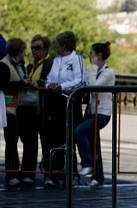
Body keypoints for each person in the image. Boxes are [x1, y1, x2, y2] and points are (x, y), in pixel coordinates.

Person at [43, 31, 86, 187]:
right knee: (54, 138)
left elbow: (81, 81)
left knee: (69, 139)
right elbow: (50, 79)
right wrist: (51, 85)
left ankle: (72, 174)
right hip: (55, 104)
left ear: (65, 45)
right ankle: (55, 172)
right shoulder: (56, 61)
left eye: (58, 45)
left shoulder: (77, 59)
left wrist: (62, 86)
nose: (55, 47)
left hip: (70, 102)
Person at [74, 42, 115, 187]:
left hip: (102, 113)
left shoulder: (108, 72)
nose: (89, 57)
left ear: (98, 56)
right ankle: (98, 177)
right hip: (91, 112)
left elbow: (94, 87)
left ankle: (87, 162)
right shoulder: (95, 70)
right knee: (93, 143)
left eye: (91, 54)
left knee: (78, 131)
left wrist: (93, 67)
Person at [0, 38, 39, 187]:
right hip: (10, 109)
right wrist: (23, 84)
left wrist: (27, 82)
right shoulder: (4, 64)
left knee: (28, 141)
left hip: (23, 108)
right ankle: (12, 175)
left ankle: (27, 174)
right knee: (11, 143)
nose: (25, 54)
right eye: (23, 51)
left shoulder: (20, 64)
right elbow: (4, 85)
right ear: (18, 52)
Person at [28, 35, 53, 184]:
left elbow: (49, 79)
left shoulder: (50, 63)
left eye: (37, 48)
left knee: (46, 142)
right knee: (30, 142)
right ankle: (29, 174)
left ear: (45, 49)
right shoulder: (31, 66)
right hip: (31, 108)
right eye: (32, 48)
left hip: (45, 109)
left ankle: (48, 175)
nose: (34, 51)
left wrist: (38, 82)